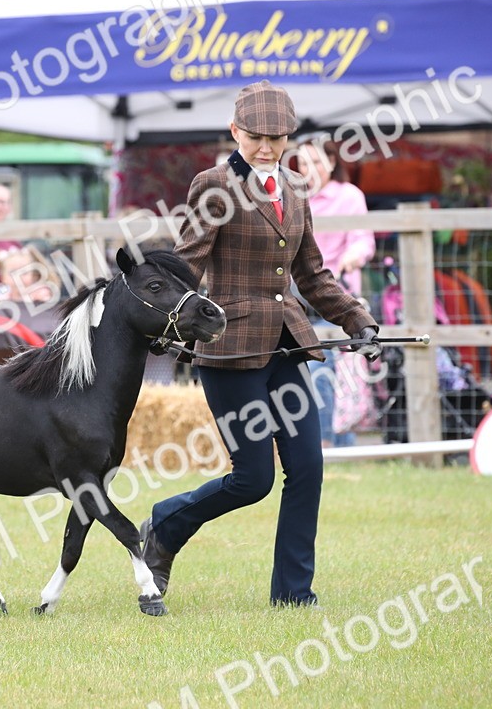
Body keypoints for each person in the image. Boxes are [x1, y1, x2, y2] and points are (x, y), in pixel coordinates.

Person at [140, 80, 382, 608]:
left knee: (308, 469)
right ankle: (163, 526)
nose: (267, 147)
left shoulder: (296, 190)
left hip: (287, 347)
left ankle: (294, 594)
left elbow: (313, 274)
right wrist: (160, 307)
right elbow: (191, 261)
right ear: (235, 131)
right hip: (229, 350)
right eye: (256, 137)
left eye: (277, 137)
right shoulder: (214, 185)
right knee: (253, 479)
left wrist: (358, 322)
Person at [294, 135, 377, 448]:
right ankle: (338, 446)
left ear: (331, 162)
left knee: (322, 368)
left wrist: (354, 256)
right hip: (296, 299)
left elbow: (362, 239)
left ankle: (325, 445)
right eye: (303, 163)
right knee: (312, 370)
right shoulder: (291, 196)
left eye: (316, 161)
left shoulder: (349, 196)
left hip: (335, 297)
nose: (309, 168)